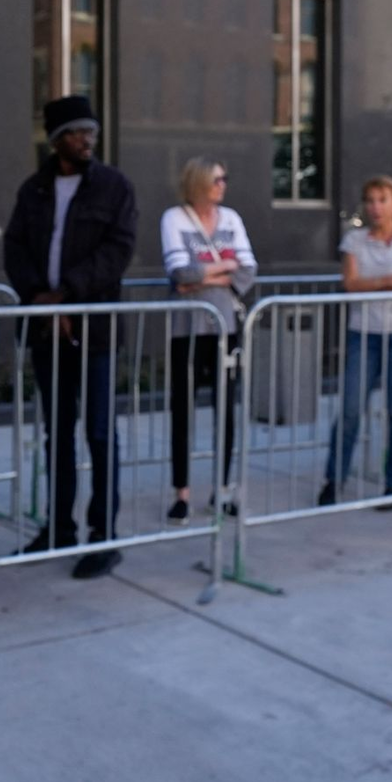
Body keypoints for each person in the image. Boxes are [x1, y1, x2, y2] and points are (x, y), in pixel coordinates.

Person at [3, 95, 137, 578]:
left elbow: (117, 251)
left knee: (100, 433)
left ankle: (104, 537)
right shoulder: (33, 190)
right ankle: (58, 527)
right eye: (78, 132)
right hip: (46, 330)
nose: (87, 140)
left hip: (93, 330)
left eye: (91, 132)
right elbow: (15, 247)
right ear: (56, 138)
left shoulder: (114, 187)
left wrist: (69, 296)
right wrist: (40, 297)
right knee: (56, 433)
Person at [317, 175, 392, 511]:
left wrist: (377, 282)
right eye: (370, 200)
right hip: (363, 333)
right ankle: (334, 479)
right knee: (350, 408)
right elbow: (350, 284)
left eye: (383, 199)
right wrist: (390, 280)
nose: (376, 207)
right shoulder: (354, 239)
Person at [160, 157, 257, 523]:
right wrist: (224, 267)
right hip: (186, 326)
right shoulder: (174, 218)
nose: (222, 185)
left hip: (224, 325)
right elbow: (179, 271)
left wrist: (201, 278)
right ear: (200, 182)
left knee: (225, 409)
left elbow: (248, 272)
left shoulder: (231, 219)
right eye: (217, 179)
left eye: (225, 178)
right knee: (182, 409)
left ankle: (223, 490)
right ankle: (181, 493)